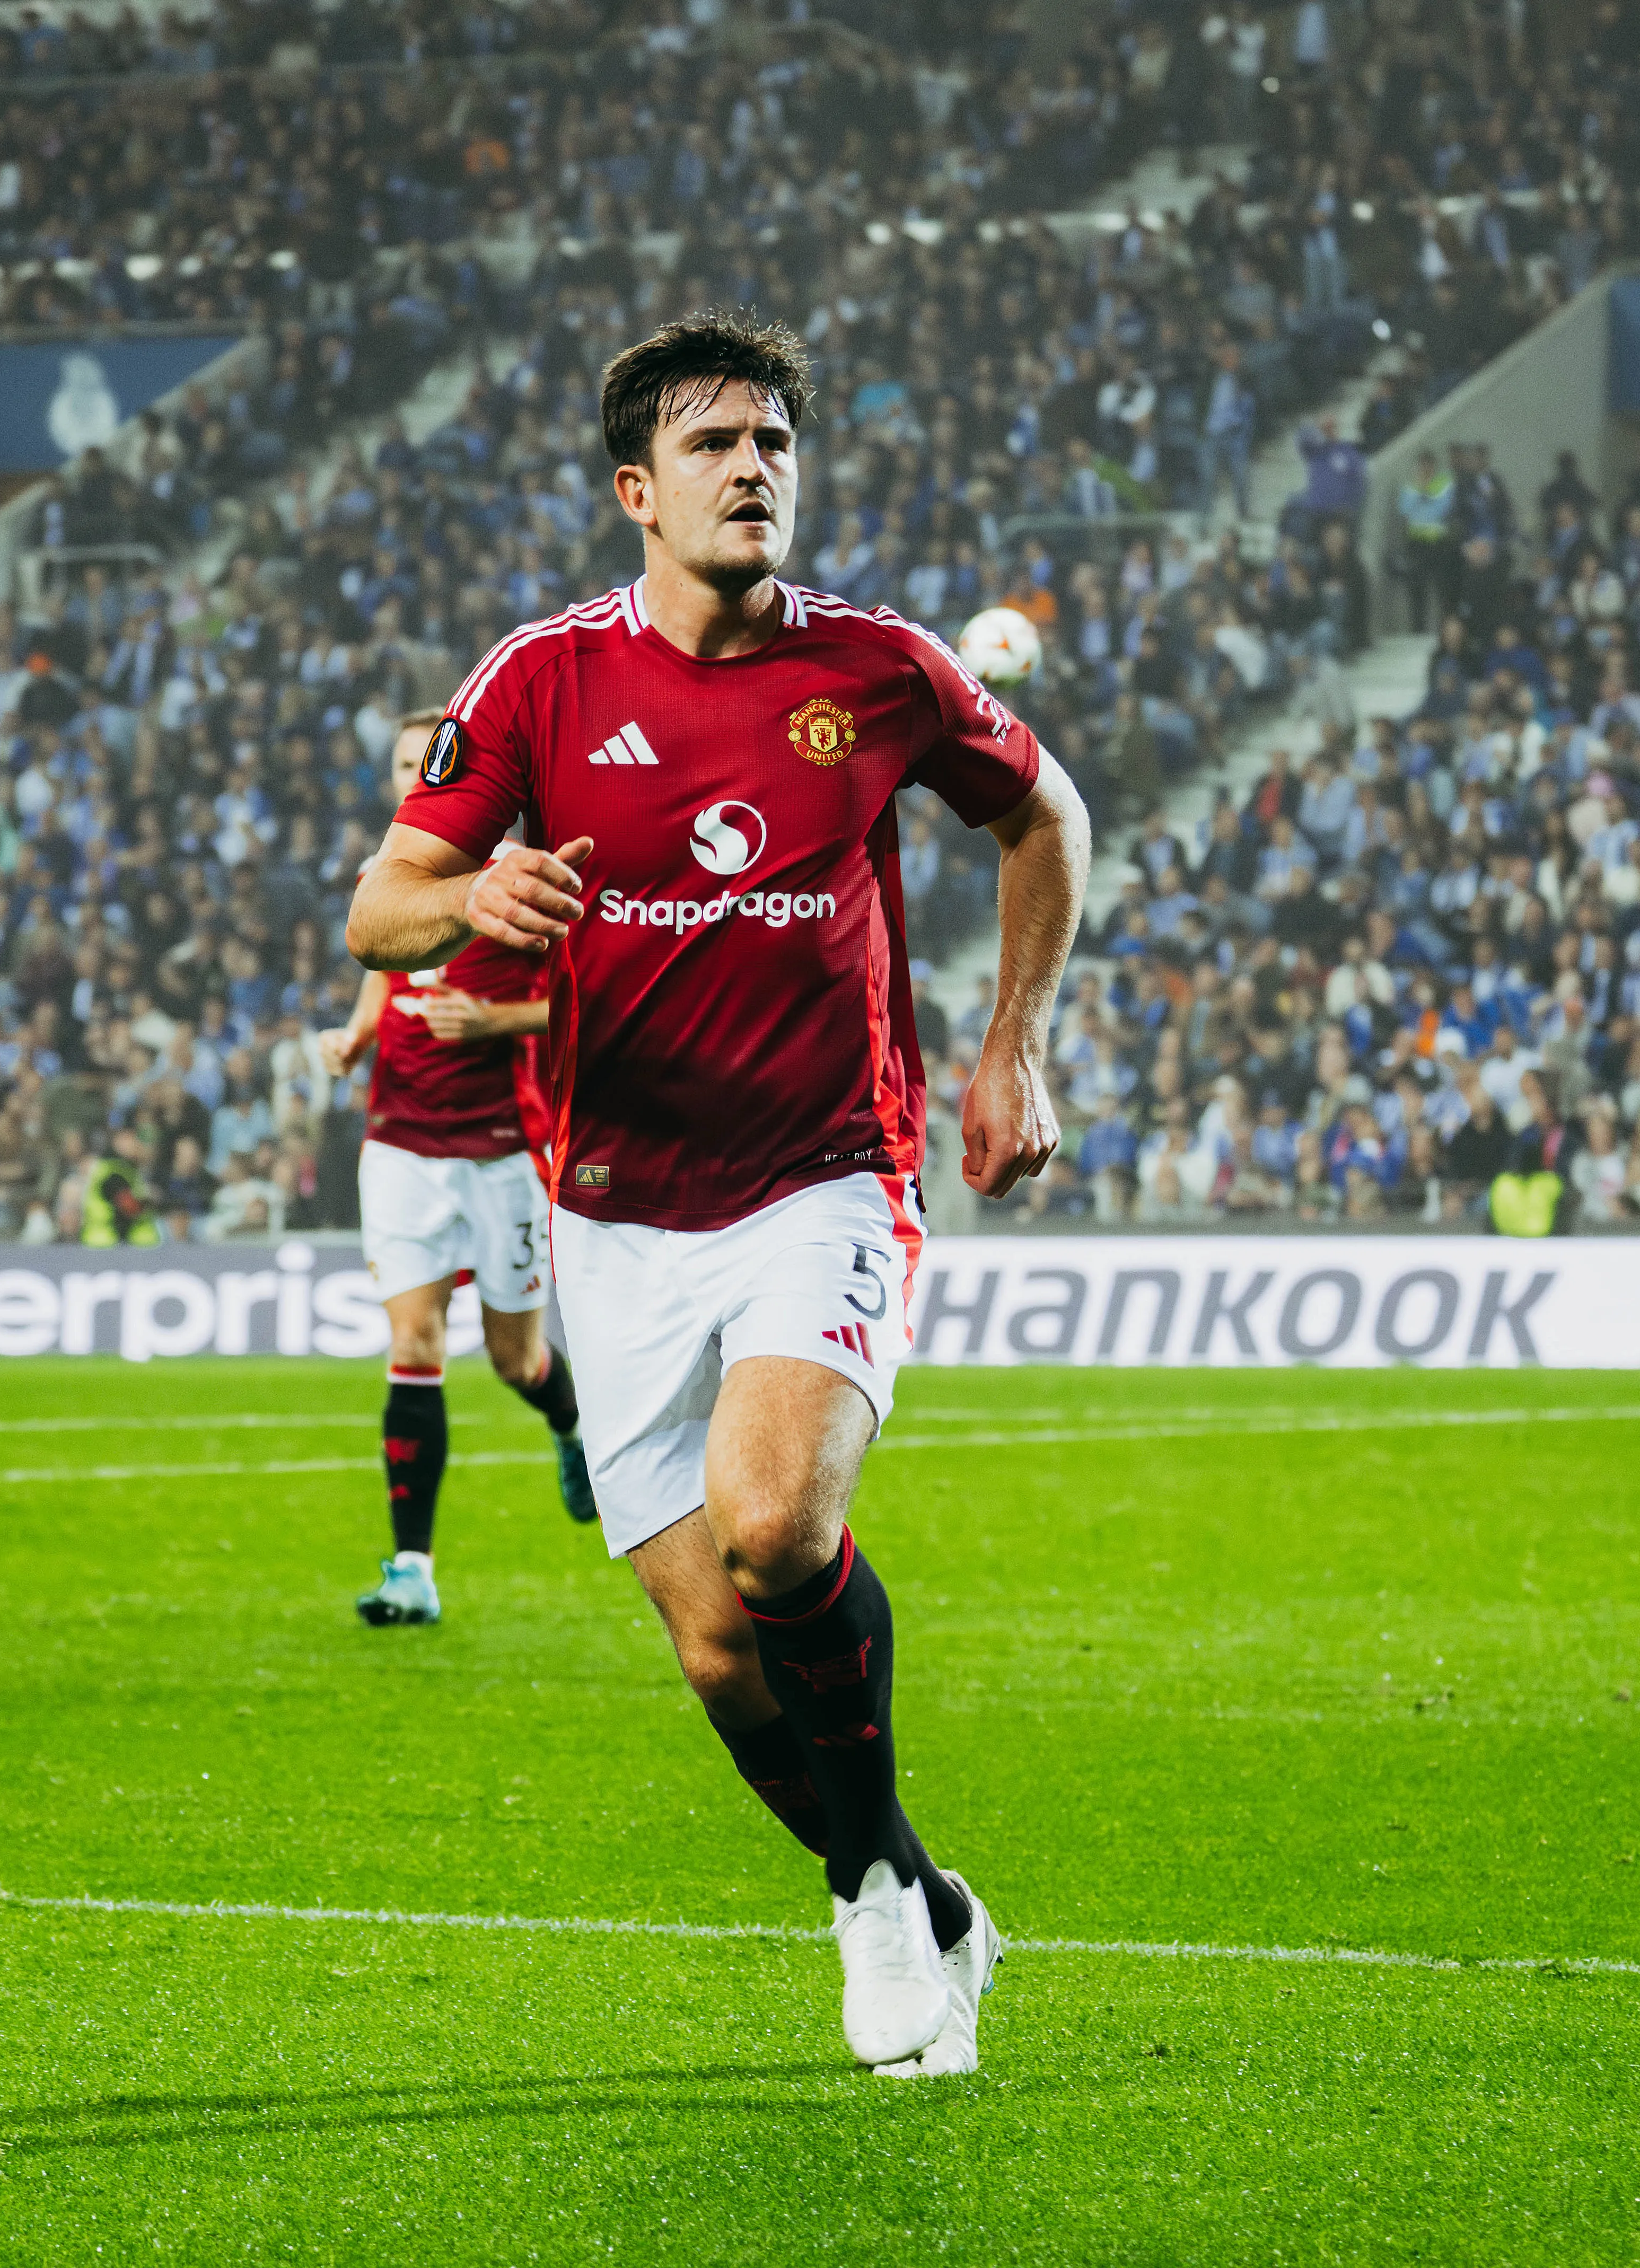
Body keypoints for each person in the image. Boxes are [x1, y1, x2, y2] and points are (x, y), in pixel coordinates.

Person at [348, 310, 1089, 2078]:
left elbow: (1041, 810)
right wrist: (477, 899)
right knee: (710, 1648)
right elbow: (380, 908)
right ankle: (909, 1886)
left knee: (774, 1527)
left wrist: (1013, 1043)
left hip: (823, 1176)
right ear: (635, 487)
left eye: (771, 442)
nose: (753, 467)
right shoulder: (535, 683)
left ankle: (868, 1905)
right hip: (611, 1210)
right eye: (711, 444)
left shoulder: (882, 668)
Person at [317, 712, 595, 1629]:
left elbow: (582, 1010)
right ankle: (412, 1569)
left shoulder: (526, 881)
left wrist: (491, 1024)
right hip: (400, 1141)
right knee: (416, 1346)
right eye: (402, 765)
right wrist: (356, 1036)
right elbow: (385, 968)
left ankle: (568, 1421)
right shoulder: (383, 881)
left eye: (425, 762)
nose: (414, 778)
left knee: (517, 1359)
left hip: (502, 1148)